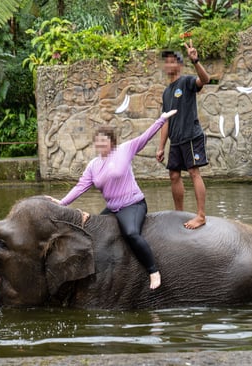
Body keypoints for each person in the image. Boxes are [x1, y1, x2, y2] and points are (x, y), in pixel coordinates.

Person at [49, 109, 177, 290]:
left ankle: (153, 271)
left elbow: (145, 137)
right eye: (98, 141)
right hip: (113, 208)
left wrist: (161, 120)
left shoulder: (124, 150)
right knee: (90, 230)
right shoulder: (93, 165)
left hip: (132, 204)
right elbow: (80, 187)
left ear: (112, 142)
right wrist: (62, 202)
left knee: (131, 233)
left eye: (104, 141)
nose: (101, 144)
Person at [157, 41, 211, 230]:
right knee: (173, 175)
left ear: (179, 65)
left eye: (173, 61)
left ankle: (201, 215)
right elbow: (165, 121)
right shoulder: (166, 93)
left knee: (194, 172)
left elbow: (205, 80)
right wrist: (161, 146)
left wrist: (196, 61)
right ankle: (179, 213)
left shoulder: (187, 82)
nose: (169, 65)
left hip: (191, 136)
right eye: (167, 62)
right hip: (176, 140)